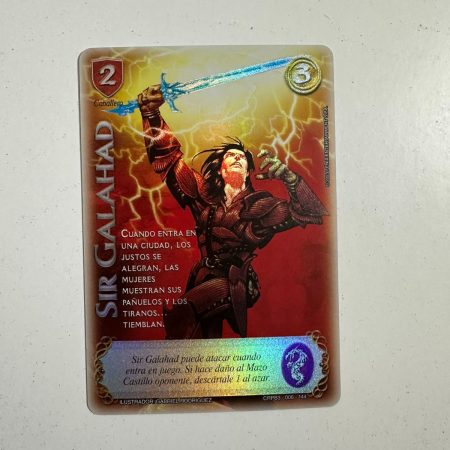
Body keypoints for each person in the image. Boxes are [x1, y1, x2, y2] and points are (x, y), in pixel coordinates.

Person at [138, 85, 327, 339]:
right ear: (221, 168)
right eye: (231, 155)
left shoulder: (259, 206)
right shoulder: (203, 197)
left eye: (242, 158)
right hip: (201, 277)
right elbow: (169, 159)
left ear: (248, 171)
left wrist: (290, 179)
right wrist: (151, 115)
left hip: (233, 281)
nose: (238, 158)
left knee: (182, 312)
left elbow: (311, 211)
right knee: (201, 341)